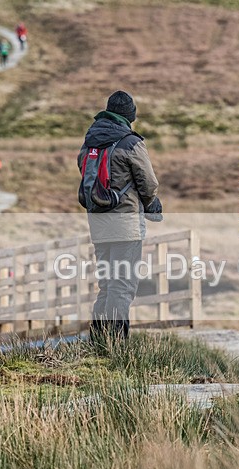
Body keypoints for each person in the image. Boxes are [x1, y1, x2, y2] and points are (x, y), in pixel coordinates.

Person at [77, 90, 160, 346]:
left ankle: (98, 342)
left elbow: (83, 167)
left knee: (107, 285)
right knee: (122, 286)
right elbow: (149, 182)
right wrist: (152, 205)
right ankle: (117, 346)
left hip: (98, 224)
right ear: (129, 115)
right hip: (125, 225)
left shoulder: (91, 140)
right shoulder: (130, 142)